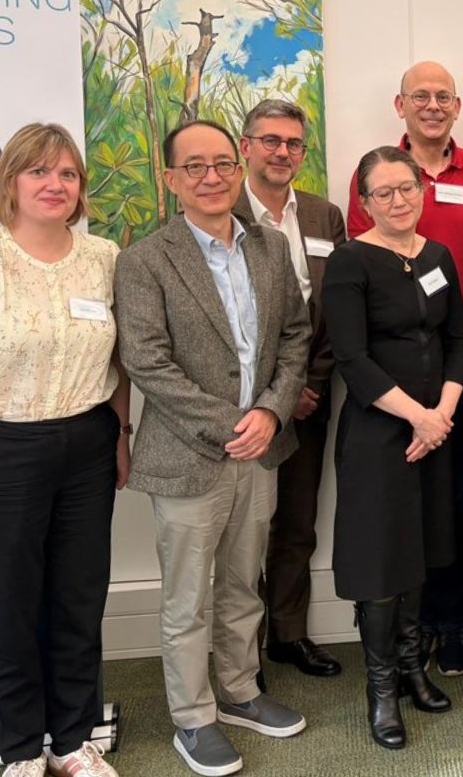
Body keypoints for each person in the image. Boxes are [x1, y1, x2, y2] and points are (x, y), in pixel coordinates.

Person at [115, 120, 311, 777]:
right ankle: (192, 719)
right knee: (186, 598)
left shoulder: (270, 248)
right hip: (190, 455)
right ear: (170, 179)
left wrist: (271, 412)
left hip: (259, 450)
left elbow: (294, 338)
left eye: (223, 163)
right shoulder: (146, 260)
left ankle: (239, 691)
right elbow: (147, 363)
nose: (211, 177)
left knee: (241, 584)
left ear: (240, 167)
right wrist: (234, 421)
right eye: (193, 166)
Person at [0, 123, 129, 777]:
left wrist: (121, 437)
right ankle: (23, 751)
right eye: (39, 172)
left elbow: (120, 361)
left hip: (88, 444)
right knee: (8, 609)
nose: (55, 185)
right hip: (0, 449)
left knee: (79, 602)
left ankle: (72, 740)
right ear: (11, 184)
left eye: (67, 174)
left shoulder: (104, 258)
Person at [347, 61, 463, 676]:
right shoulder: (382, 171)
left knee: (458, 502)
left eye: (443, 96)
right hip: (392, 383)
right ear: (400, 104)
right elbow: (368, 267)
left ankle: (449, 622)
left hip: (459, 368)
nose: (432, 105)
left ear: (458, 106)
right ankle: (399, 643)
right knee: (397, 510)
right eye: (421, 96)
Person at [323, 146, 463, 750]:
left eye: (406, 188)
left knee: (421, 553)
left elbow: (459, 339)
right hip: (381, 434)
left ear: (422, 189)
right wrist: (419, 418)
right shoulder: (349, 261)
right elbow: (351, 360)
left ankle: (412, 668)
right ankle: (381, 688)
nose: (398, 200)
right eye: (383, 193)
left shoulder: (438, 257)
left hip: (435, 428)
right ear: (364, 202)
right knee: (382, 563)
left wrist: (442, 417)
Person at [233, 99, 347, 679]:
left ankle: (289, 633)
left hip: (309, 399)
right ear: (246, 145)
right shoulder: (218, 210)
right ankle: (239, 648)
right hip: (242, 408)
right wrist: (270, 396)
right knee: (240, 528)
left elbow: (336, 310)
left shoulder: (326, 217)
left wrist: (309, 385)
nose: (282, 152)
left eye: (293, 144)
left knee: (297, 521)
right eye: (270, 141)